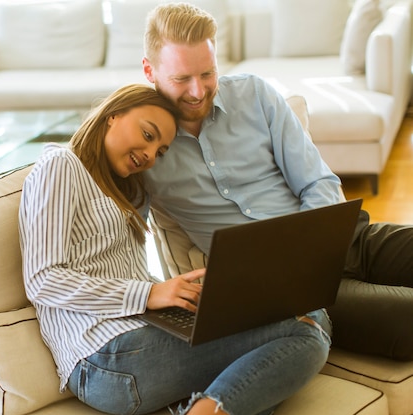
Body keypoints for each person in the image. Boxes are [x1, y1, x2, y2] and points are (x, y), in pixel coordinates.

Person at [19, 83, 332, 415]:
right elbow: (42, 278)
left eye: (161, 151)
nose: (151, 155)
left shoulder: (129, 192)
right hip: (101, 357)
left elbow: (127, 274)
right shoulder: (61, 165)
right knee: (304, 334)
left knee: (310, 317)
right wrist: (149, 293)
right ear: (113, 114)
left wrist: (183, 294)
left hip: (141, 335)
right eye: (148, 134)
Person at [141, 3, 413, 361]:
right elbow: (117, 235)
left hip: (347, 240)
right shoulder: (142, 148)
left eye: (208, 73)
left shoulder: (255, 95)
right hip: (286, 290)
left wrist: (312, 247)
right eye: (181, 79)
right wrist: (147, 292)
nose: (197, 90)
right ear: (150, 71)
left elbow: (317, 181)